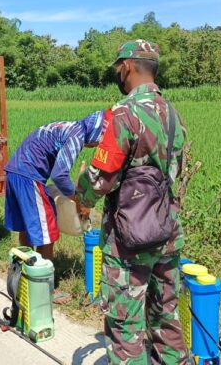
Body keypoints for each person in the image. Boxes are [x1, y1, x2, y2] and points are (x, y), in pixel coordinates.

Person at [75, 39, 192, 365]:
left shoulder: (123, 114)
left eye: (117, 68)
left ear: (126, 66)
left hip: (129, 242)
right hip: (166, 233)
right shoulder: (172, 115)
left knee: (126, 328)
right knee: (166, 318)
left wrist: (80, 192)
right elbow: (176, 170)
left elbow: (100, 178)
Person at [4, 110, 104, 263]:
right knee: (48, 231)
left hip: (13, 171)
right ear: (95, 131)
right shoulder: (77, 137)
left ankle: (24, 272)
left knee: (26, 226)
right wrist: (79, 201)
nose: (97, 144)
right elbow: (59, 175)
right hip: (29, 176)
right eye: (100, 139)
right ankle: (44, 280)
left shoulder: (69, 127)